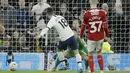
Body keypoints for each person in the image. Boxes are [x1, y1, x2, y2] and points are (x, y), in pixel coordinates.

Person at [36, 7, 83, 73]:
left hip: (65, 39)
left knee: (58, 50)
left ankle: (64, 65)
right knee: (76, 52)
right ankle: (80, 67)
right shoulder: (60, 16)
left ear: (47, 14)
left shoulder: (52, 20)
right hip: (72, 36)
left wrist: (40, 35)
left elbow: (47, 29)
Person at [80, 0, 109, 73]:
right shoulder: (102, 13)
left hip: (91, 37)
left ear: (89, 2)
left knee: (90, 54)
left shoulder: (86, 14)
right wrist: (107, 35)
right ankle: (102, 71)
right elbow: (105, 27)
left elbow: (83, 28)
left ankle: (92, 71)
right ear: (98, 2)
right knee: (99, 53)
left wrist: (81, 36)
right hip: (100, 37)